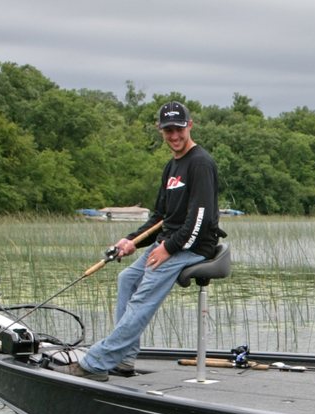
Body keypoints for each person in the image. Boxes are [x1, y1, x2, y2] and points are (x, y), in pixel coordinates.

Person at [70, 101, 224, 380]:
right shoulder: (172, 166)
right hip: (169, 243)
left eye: (179, 129)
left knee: (142, 297)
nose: (174, 136)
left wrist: (168, 248)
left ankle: (95, 363)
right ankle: (124, 359)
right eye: (168, 130)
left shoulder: (200, 163)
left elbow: (199, 220)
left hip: (193, 246)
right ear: (160, 130)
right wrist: (131, 241)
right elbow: (160, 217)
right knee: (127, 279)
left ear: (190, 125)